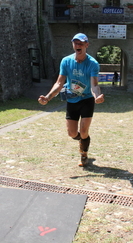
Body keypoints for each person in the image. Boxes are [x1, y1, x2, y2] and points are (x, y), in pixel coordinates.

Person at [38, 33, 105, 167]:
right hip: (72, 99)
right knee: (72, 133)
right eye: (75, 43)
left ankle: (84, 154)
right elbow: (59, 83)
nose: (78, 45)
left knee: (84, 130)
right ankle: (83, 140)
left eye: (81, 43)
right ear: (72, 44)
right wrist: (48, 97)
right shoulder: (66, 61)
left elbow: (94, 85)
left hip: (86, 99)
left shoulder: (93, 64)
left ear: (87, 45)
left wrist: (97, 96)